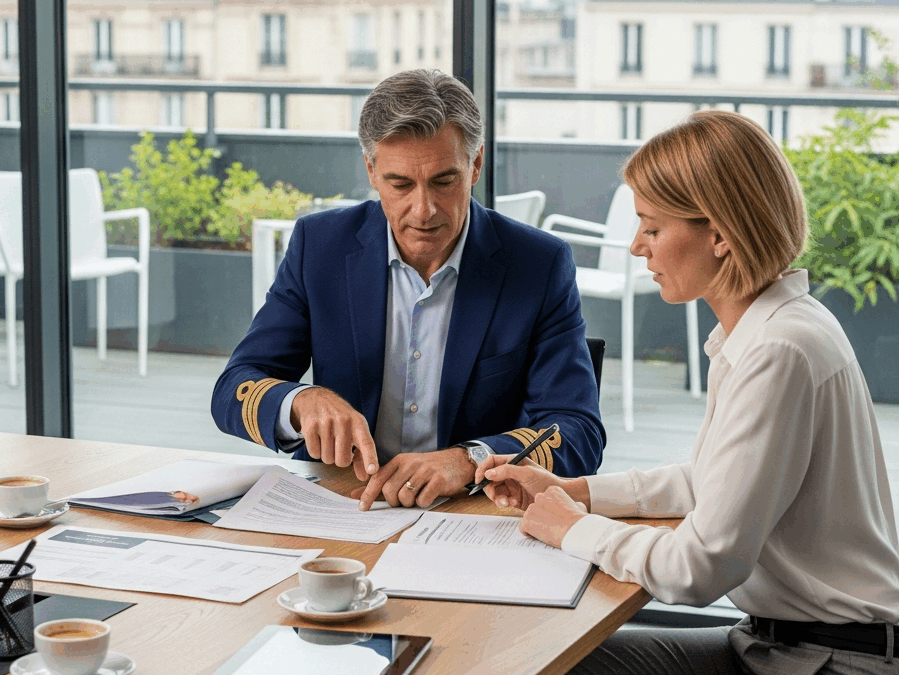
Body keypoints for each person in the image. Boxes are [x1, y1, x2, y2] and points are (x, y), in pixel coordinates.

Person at [475, 109, 899, 674]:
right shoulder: (770, 328)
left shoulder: (778, 350)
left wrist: (573, 528)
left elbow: (701, 568)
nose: (635, 248)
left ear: (720, 234)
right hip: (779, 643)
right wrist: (572, 491)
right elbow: (710, 481)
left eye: (651, 228)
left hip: (828, 660)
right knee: (544, 657)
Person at [211, 69, 605, 510]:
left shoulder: (538, 264)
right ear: (372, 170)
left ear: (475, 166)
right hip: (343, 504)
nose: (424, 210)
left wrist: (470, 457)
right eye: (400, 185)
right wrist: (301, 400)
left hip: (472, 511)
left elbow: (577, 430)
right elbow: (233, 389)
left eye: (444, 181)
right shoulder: (319, 246)